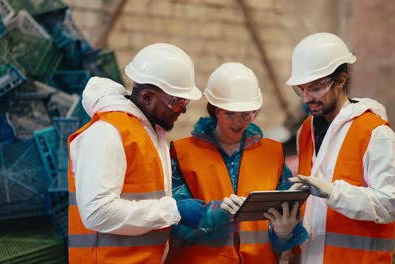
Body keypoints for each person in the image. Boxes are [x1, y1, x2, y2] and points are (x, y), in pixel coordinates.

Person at [67, 43, 203, 263]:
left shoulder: (150, 133)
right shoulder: (108, 132)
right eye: (177, 102)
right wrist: (172, 211)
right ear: (147, 97)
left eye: (185, 102)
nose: (183, 110)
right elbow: (97, 212)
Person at [165, 62, 309, 263]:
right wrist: (213, 215)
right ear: (215, 110)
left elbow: (286, 211)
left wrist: (284, 233)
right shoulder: (183, 153)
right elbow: (169, 218)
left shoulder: (271, 154)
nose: (238, 122)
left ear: (255, 112)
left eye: (245, 114)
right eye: (229, 114)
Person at [286, 32, 395, 263]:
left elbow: (392, 204)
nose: (307, 98)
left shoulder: (375, 133)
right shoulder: (306, 130)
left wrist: (333, 193)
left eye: (315, 88)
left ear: (341, 80)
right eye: (301, 89)